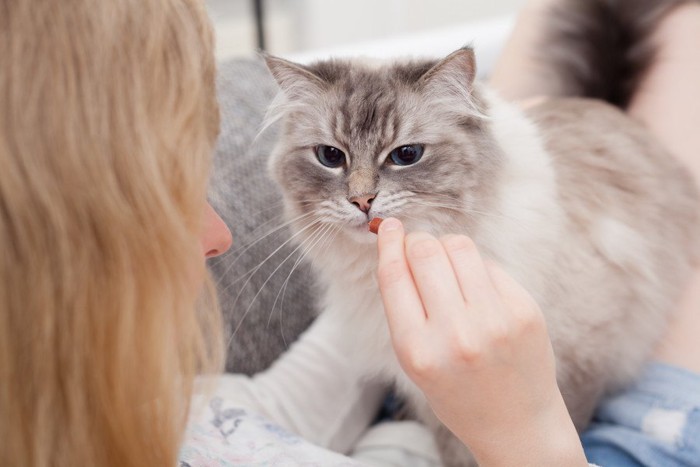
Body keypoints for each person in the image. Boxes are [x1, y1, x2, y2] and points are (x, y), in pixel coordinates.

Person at [2, 1, 698, 467]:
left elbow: (289, 403)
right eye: (170, 204)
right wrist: (526, 426)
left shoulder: (152, 414)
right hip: (631, 430)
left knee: (585, 37)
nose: (220, 237)